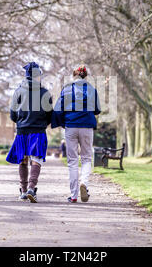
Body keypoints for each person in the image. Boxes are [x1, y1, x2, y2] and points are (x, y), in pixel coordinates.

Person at [52, 65, 101, 203]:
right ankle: (84, 183)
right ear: (86, 76)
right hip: (87, 126)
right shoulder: (92, 90)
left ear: (74, 76)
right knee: (86, 158)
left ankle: (73, 196)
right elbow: (97, 110)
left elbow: (58, 109)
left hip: (71, 127)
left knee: (72, 161)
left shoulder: (67, 89)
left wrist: (62, 123)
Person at [6, 62, 53, 203]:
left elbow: (12, 114)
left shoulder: (18, 91)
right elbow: (50, 114)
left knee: (23, 159)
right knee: (36, 159)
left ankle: (24, 191)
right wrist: (43, 124)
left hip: (22, 130)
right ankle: (32, 188)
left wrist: (20, 122)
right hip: (38, 130)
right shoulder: (45, 92)